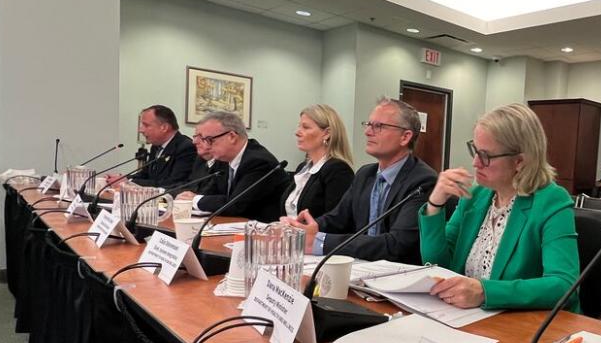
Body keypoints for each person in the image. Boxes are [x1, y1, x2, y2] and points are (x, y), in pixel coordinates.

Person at [419, 103, 579, 311]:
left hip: (522, 326)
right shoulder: (476, 195)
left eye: (485, 155)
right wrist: (435, 204)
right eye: (475, 151)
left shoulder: (551, 200)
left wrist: (485, 292)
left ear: (519, 161)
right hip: (464, 319)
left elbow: (563, 285)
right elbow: (438, 266)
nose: (475, 162)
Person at [283, 98, 436, 263]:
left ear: (405, 137)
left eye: (379, 126)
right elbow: (337, 219)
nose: (368, 132)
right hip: (361, 268)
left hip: (398, 276)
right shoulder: (365, 174)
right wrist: (301, 229)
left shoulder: (423, 181)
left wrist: (320, 242)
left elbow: (397, 244)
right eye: (368, 124)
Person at [178, 112, 291, 222]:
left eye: (209, 140)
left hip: (262, 233)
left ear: (232, 136)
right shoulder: (223, 158)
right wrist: (192, 198)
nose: (206, 146)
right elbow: (211, 194)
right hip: (231, 225)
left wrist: (195, 199)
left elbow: (236, 204)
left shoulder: (259, 162)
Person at [278, 104, 354, 220]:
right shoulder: (302, 167)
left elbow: (337, 221)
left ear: (327, 133)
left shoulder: (338, 170)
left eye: (306, 127)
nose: (297, 132)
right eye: (299, 126)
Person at [132, 105, 196, 188]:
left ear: (164, 127)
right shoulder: (156, 146)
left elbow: (173, 182)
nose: (141, 130)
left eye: (146, 125)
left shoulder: (186, 147)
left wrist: (132, 182)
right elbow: (145, 174)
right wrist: (124, 179)